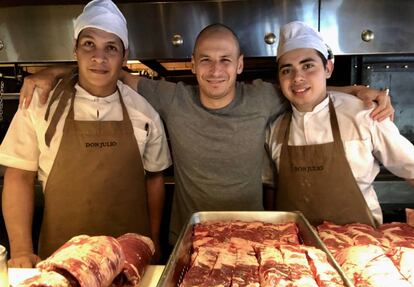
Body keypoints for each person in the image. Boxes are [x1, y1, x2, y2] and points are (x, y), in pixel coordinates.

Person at [19, 23, 394, 245]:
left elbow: (307, 87)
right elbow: (107, 69)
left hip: (256, 237)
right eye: (206, 60)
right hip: (187, 238)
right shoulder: (171, 98)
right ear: (193, 64)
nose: (216, 70)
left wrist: (359, 91)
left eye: (226, 60)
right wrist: (52, 72)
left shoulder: (263, 96)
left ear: (240, 65)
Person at [0, 0, 171, 267]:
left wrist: (154, 239)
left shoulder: (145, 113)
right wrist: (21, 249)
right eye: (89, 44)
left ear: (124, 57)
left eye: (110, 48)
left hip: (127, 263)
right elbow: (19, 176)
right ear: (75, 49)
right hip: (59, 261)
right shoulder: (39, 103)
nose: (98, 58)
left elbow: (154, 178)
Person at [264, 21, 414, 226]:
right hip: (293, 251)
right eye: (287, 70)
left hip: (359, 247)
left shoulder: (364, 114)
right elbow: (271, 188)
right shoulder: (275, 129)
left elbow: (411, 168)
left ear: (328, 68)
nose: (298, 78)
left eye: (308, 66)